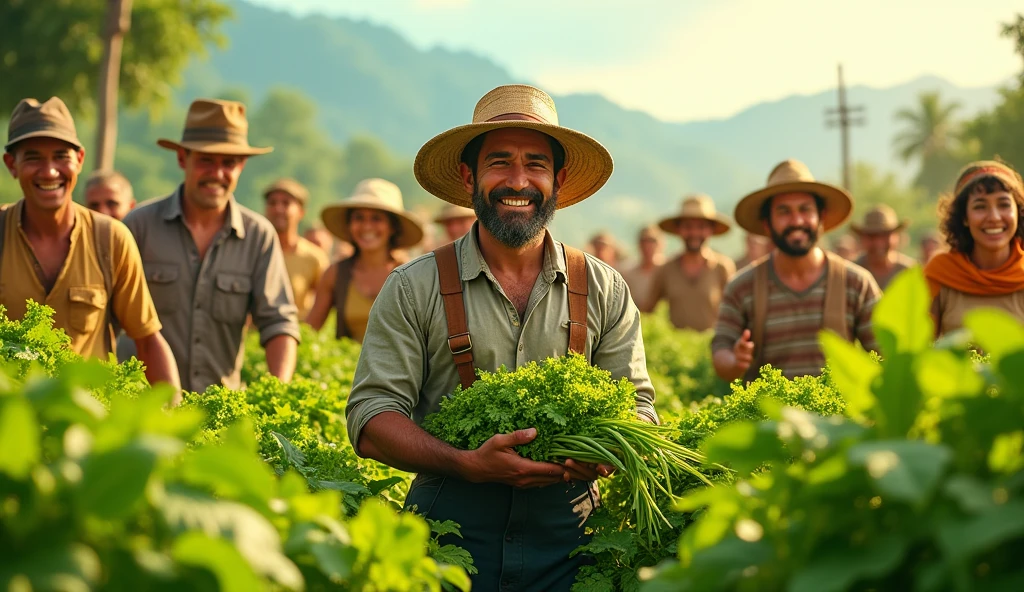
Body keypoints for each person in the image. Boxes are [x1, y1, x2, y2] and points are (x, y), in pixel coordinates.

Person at [345, 84, 655, 591]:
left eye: (535, 163)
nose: (518, 180)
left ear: (558, 179)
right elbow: (372, 418)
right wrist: (465, 464)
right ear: (469, 176)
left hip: (574, 548)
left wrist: (600, 449)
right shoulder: (414, 286)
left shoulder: (602, 287)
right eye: (499, 162)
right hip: (446, 548)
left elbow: (639, 407)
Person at [121, 98, 300, 392]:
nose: (217, 174)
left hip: (218, 414)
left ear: (241, 166)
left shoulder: (257, 236)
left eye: (228, 163)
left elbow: (278, 322)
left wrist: (277, 393)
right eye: (206, 160)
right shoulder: (139, 226)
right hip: (142, 406)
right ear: (182, 158)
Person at [1, 97, 180, 391]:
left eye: (61, 156)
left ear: (80, 160)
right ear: (12, 164)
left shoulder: (110, 239)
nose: (49, 171)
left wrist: (175, 421)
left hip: (90, 424)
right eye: (33, 157)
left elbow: (148, 340)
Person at [712, 159, 880, 383]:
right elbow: (721, 349)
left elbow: (884, 354)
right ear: (766, 223)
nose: (797, 220)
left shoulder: (857, 283)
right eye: (784, 211)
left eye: (805, 209)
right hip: (769, 417)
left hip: (840, 417)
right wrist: (735, 360)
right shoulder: (742, 287)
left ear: (821, 217)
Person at [305, 178, 423, 342]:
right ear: (349, 224)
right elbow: (309, 330)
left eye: (376, 218)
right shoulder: (336, 274)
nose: (367, 227)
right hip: (350, 366)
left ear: (393, 227)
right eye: (359, 218)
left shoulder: (412, 274)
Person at [925, 161, 1024, 336]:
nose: (994, 217)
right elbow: (916, 352)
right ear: (964, 217)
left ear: (1018, 211)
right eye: (980, 206)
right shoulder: (940, 274)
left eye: (1004, 204)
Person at [642, 194, 736, 331]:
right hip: (675, 348)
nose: (694, 233)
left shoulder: (722, 267)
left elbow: (734, 312)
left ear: (710, 230)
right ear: (679, 230)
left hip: (713, 346)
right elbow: (647, 312)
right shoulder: (666, 269)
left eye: (701, 227)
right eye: (688, 226)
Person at [263, 178, 330, 320]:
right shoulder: (254, 251)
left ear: (301, 212)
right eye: (272, 203)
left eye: (286, 203)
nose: (278, 209)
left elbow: (325, 304)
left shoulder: (313, 257)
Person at [852, 205, 918, 290]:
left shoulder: (909, 271)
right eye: (872, 236)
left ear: (896, 237)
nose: (879, 243)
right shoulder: (852, 273)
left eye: (885, 235)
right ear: (862, 238)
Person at [620, 224, 665, 307]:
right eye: (644, 241)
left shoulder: (670, 272)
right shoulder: (629, 275)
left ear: (661, 244)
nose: (647, 246)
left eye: (652, 241)